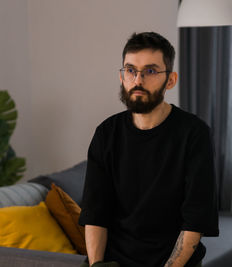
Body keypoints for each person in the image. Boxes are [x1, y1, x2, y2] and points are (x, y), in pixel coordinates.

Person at [79, 32, 219, 267]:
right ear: (121, 76)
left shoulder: (194, 133)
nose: (138, 80)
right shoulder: (106, 133)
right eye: (130, 70)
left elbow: (196, 221)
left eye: (150, 71)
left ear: (171, 80)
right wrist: (97, 266)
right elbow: (95, 214)